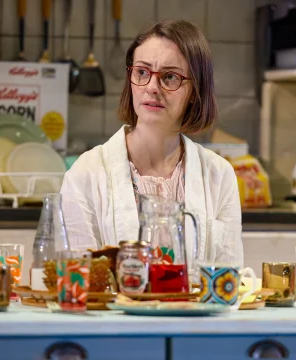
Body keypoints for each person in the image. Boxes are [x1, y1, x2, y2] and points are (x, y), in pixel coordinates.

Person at [60, 19, 243, 270]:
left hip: (196, 311)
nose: (152, 88)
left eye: (170, 77)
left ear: (195, 91)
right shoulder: (86, 174)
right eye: (142, 72)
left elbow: (228, 284)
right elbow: (79, 280)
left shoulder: (219, 176)